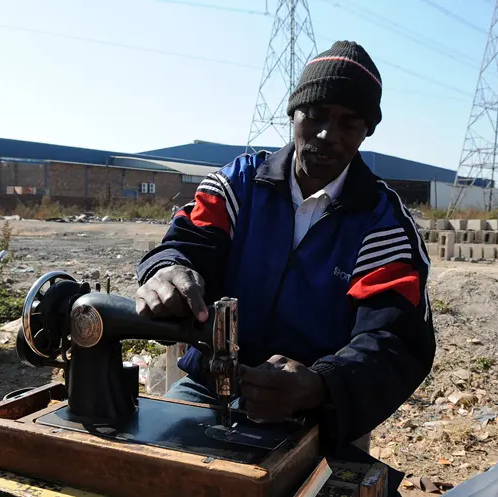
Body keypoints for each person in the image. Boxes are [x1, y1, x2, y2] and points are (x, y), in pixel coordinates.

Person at [134, 40, 436, 453]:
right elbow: (188, 244)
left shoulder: (382, 224)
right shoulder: (236, 186)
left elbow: (394, 338)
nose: (328, 134)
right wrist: (167, 267)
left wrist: (320, 384)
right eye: (315, 115)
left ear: (368, 130)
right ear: (293, 113)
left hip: (316, 413)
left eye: (349, 123)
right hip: (208, 390)